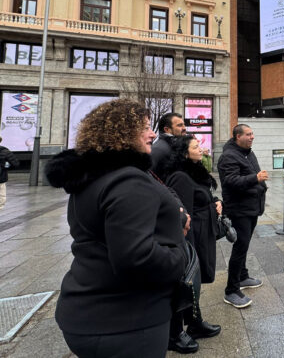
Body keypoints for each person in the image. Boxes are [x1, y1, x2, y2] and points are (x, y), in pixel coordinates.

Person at [44, 99, 187, 358]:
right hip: (127, 322)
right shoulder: (128, 179)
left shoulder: (92, 176)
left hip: (87, 312)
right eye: (144, 127)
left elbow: (107, 231)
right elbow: (137, 258)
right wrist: (179, 253)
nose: (153, 133)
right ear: (122, 132)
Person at [164, 136, 223, 351]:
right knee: (186, 281)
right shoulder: (180, 177)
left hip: (203, 232)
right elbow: (183, 217)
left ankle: (195, 323)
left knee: (194, 282)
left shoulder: (194, 171)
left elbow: (204, 196)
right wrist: (186, 249)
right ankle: (176, 333)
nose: (202, 149)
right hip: (192, 236)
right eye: (196, 147)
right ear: (185, 153)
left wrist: (216, 202)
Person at [217, 124, 268, 308]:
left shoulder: (247, 152)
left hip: (251, 207)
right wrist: (256, 179)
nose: (252, 137)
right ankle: (231, 290)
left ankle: (243, 276)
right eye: (248, 134)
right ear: (238, 136)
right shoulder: (228, 157)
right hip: (239, 210)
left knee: (244, 245)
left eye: (252, 133)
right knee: (240, 248)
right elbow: (231, 182)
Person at [152, 112, 187, 179]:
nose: (184, 128)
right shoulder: (158, 150)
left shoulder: (177, 146)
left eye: (184, 125)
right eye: (180, 125)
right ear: (167, 130)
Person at [0, 137, 19, 210]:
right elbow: (15, 164)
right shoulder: (5, 152)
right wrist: (5, 167)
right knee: (1, 195)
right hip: (1, 177)